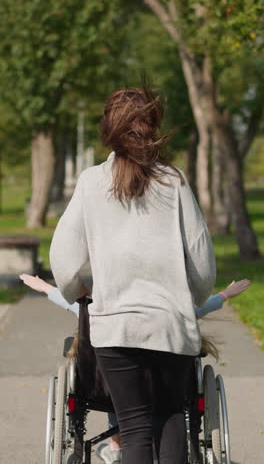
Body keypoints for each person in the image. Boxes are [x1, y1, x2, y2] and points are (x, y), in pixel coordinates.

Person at [49, 85, 217, 464]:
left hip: (115, 327)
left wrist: (78, 291)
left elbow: (64, 259)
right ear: (153, 126)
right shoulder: (173, 181)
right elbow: (202, 262)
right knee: (171, 417)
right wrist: (197, 297)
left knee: (135, 427)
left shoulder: (92, 182)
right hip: (169, 323)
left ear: (107, 127)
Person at [19, 273, 250, 464]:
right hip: (166, 383)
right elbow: (202, 308)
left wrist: (44, 288)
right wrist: (225, 294)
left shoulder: (99, 312)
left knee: (113, 377)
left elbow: (67, 301)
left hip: (109, 387)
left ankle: (116, 444)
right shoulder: (172, 310)